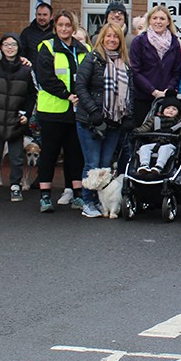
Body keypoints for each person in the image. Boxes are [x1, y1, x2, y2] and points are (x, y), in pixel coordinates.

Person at [75, 23, 135, 218]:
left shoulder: (125, 63)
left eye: (115, 37)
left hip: (114, 122)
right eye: (108, 36)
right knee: (92, 163)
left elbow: (130, 93)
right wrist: (93, 110)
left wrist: (128, 115)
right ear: (101, 38)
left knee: (105, 165)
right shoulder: (91, 59)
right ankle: (88, 202)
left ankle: (101, 203)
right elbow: (80, 86)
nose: (112, 40)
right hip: (90, 121)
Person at [34, 9, 88, 213]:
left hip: (76, 111)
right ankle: (45, 196)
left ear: (74, 27)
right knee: (49, 153)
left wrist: (80, 96)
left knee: (75, 154)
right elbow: (45, 78)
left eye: (68, 25)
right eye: (60, 25)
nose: (64, 29)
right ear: (55, 27)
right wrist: (67, 94)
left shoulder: (83, 49)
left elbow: (87, 77)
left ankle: (77, 194)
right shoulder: (47, 47)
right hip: (52, 111)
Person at [0, 33, 35, 203]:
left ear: (18, 47)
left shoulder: (27, 70)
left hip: (16, 121)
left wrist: (26, 114)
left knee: (17, 156)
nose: (10, 48)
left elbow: (33, 94)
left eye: (13, 44)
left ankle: (15, 186)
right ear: (1, 47)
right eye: (6, 44)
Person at [129, 4, 181, 125]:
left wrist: (168, 90)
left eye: (162, 19)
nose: (158, 22)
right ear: (149, 21)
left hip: (166, 100)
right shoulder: (139, 42)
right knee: (142, 135)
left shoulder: (174, 42)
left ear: (168, 22)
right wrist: (153, 91)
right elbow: (136, 71)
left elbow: (176, 71)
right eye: (155, 18)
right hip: (143, 98)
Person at [133, 98, 181, 175]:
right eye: (168, 108)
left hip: (169, 144)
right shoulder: (155, 119)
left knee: (165, 149)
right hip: (155, 142)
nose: (170, 110)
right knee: (144, 148)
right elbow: (145, 127)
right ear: (162, 110)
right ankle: (144, 165)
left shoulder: (180, 122)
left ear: (178, 113)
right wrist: (137, 131)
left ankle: (159, 166)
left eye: (174, 109)